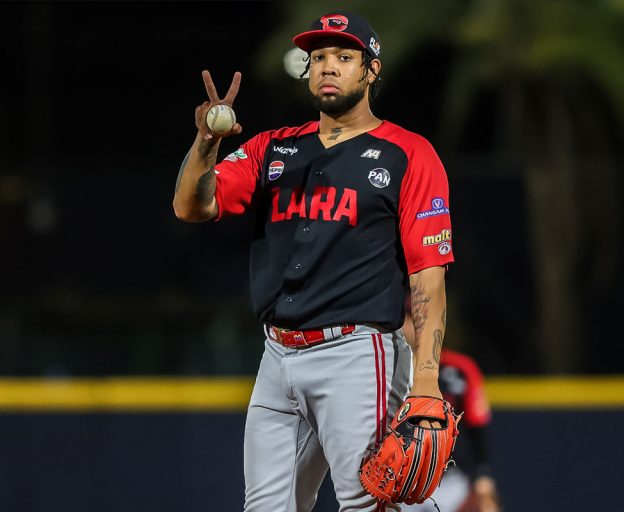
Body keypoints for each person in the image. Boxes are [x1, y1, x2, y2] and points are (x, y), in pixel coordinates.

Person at [173, 10, 455, 511]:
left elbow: (427, 275)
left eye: (344, 57)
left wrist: (427, 380)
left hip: (356, 354)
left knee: (370, 503)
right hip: (277, 357)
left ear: (372, 70)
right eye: (319, 57)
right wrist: (207, 142)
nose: (328, 66)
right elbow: (192, 205)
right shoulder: (273, 148)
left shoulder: (408, 154)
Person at [402, 309, 501, 512]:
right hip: (401, 479)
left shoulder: (459, 369)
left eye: (415, 318)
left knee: (488, 506)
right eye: (406, 317)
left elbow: (477, 428)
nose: (410, 325)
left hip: (451, 481)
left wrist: (483, 476)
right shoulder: (385, 371)